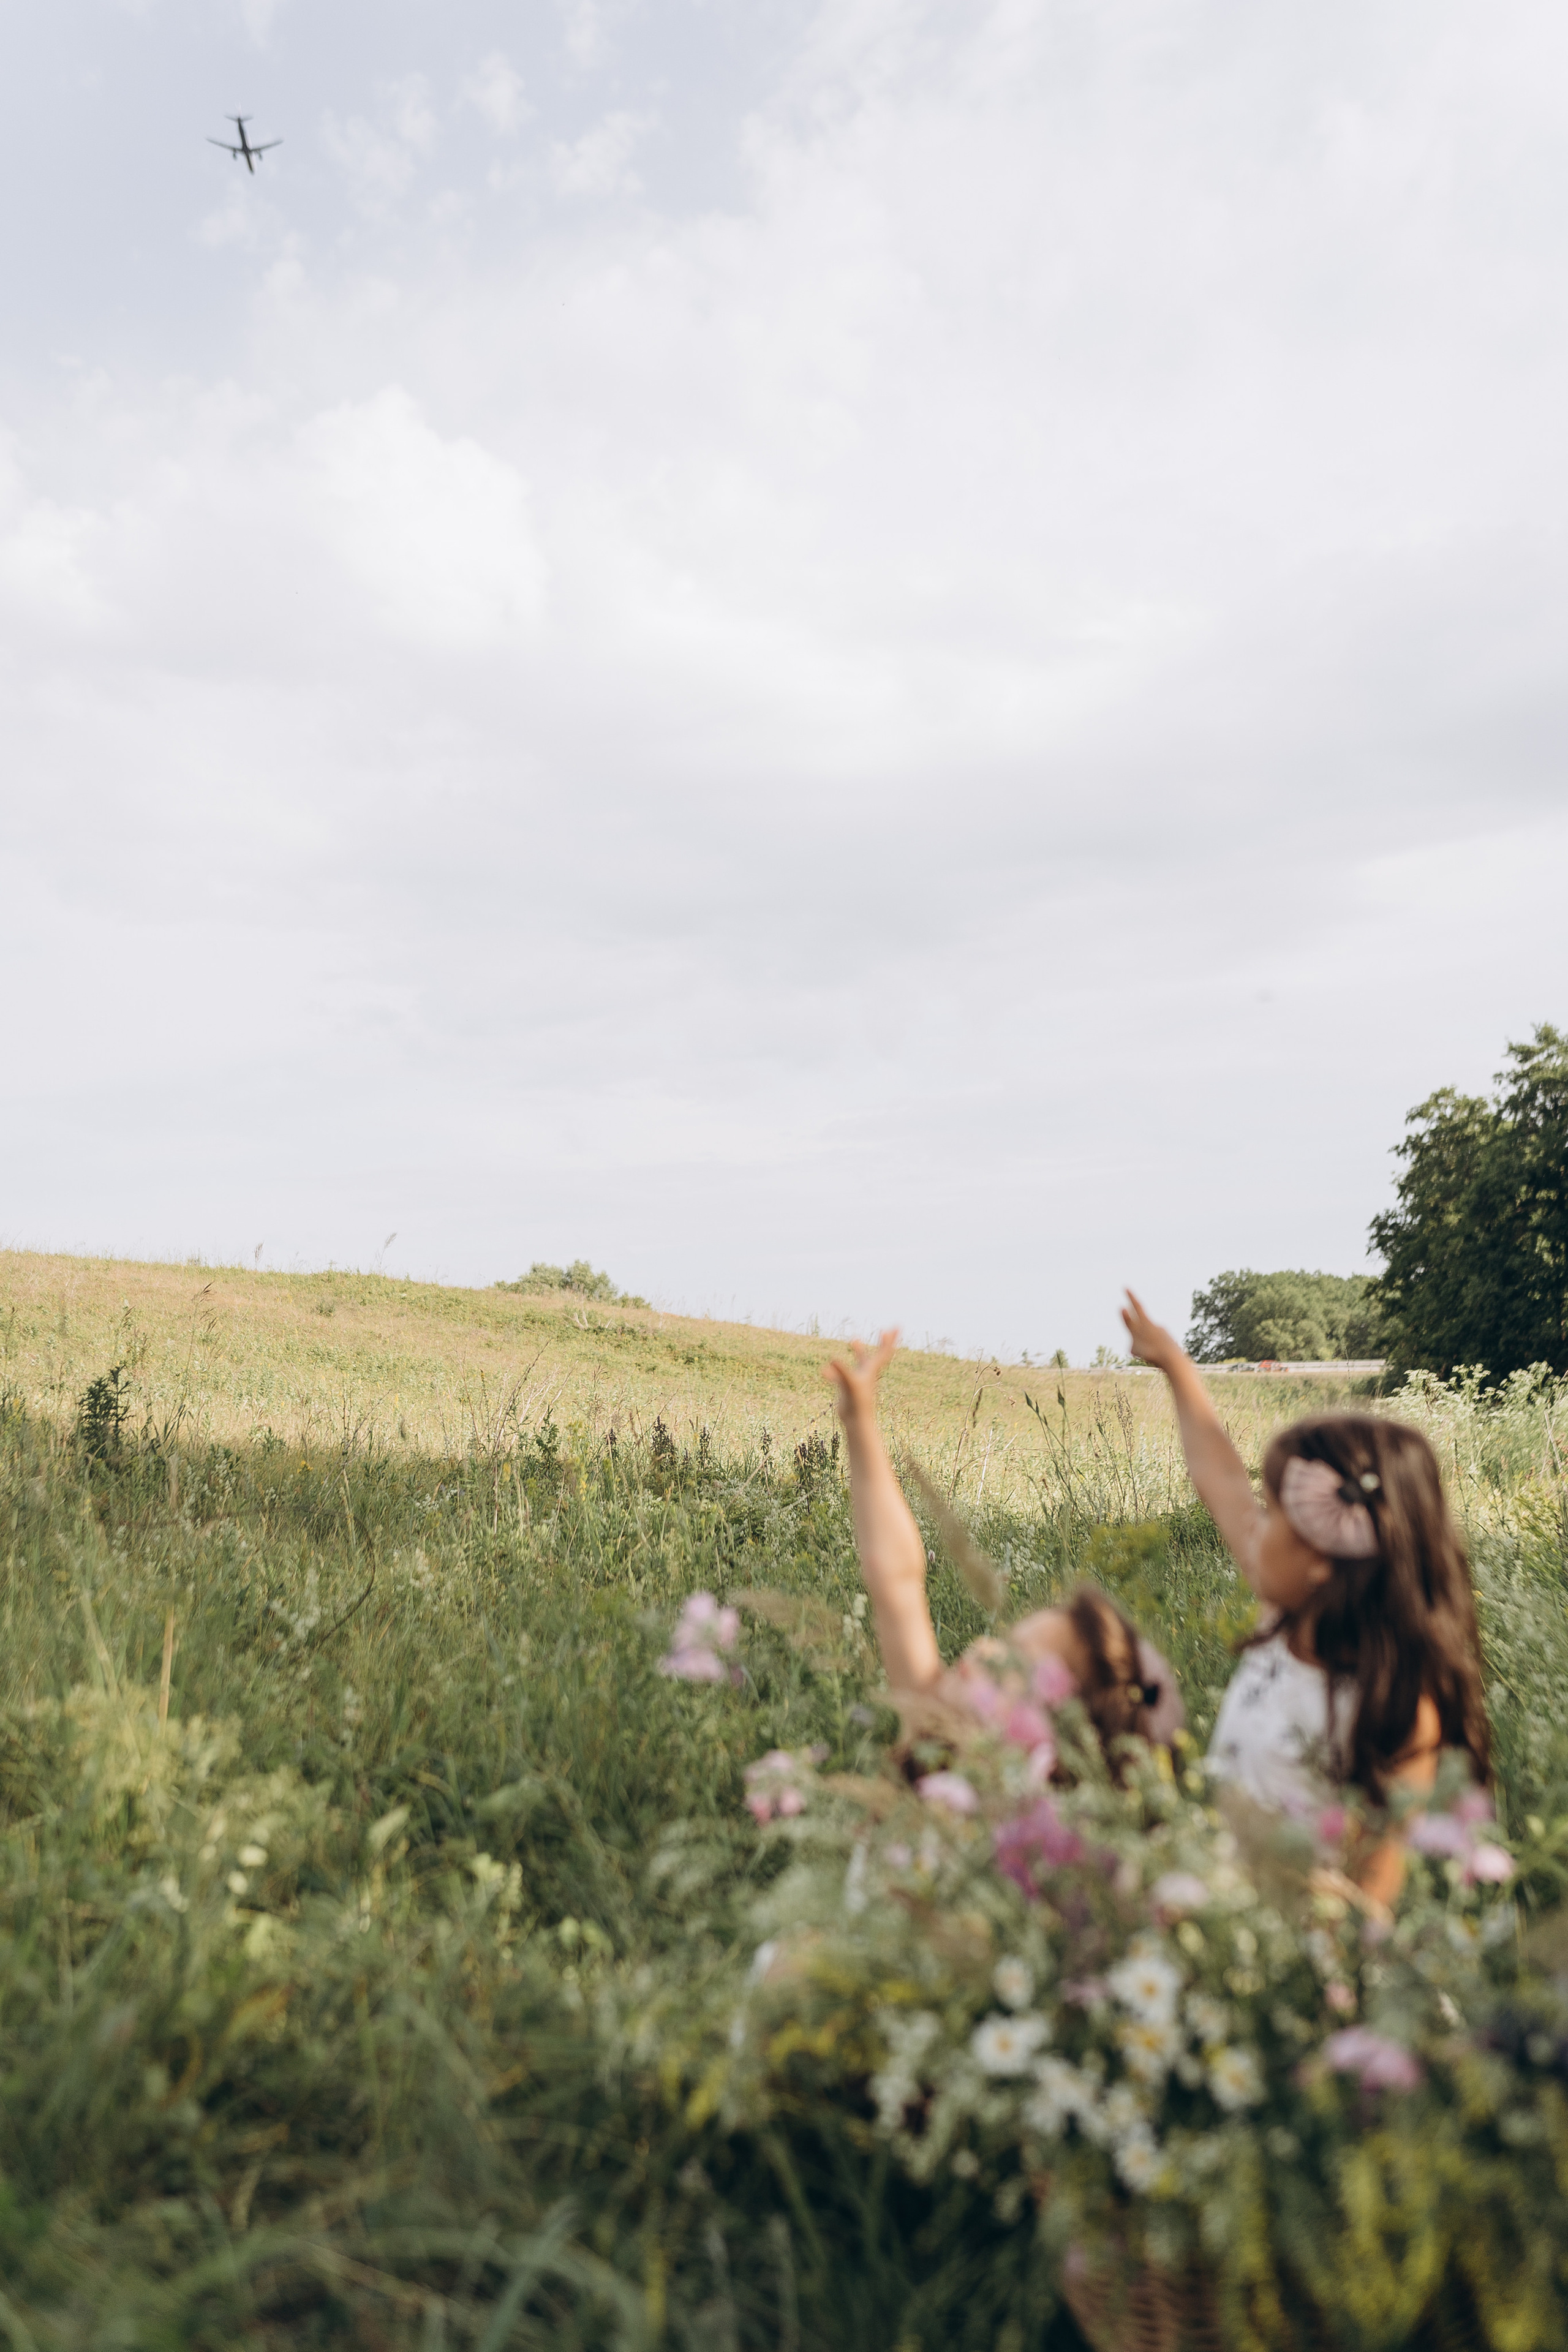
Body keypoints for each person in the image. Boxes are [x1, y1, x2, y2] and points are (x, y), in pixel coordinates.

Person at [1119, 1289, 1490, 1902]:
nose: (1253, 1528)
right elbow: (1221, 1480)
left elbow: (1370, 1903)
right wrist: (1175, 1365)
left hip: (1300, 1971)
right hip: (1220, 1930)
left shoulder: (1394, 1707)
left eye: (1272, 1516)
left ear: (1321, 1560)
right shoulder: (1286, 1616)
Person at [825, 1330, 1183, 1767]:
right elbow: (896, 1579)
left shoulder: (982, 1805)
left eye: (1011, 1665)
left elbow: (895, 1581)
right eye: (1005, 1641)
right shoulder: (936, 1729)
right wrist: (860, 1422)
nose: (981, 1648)